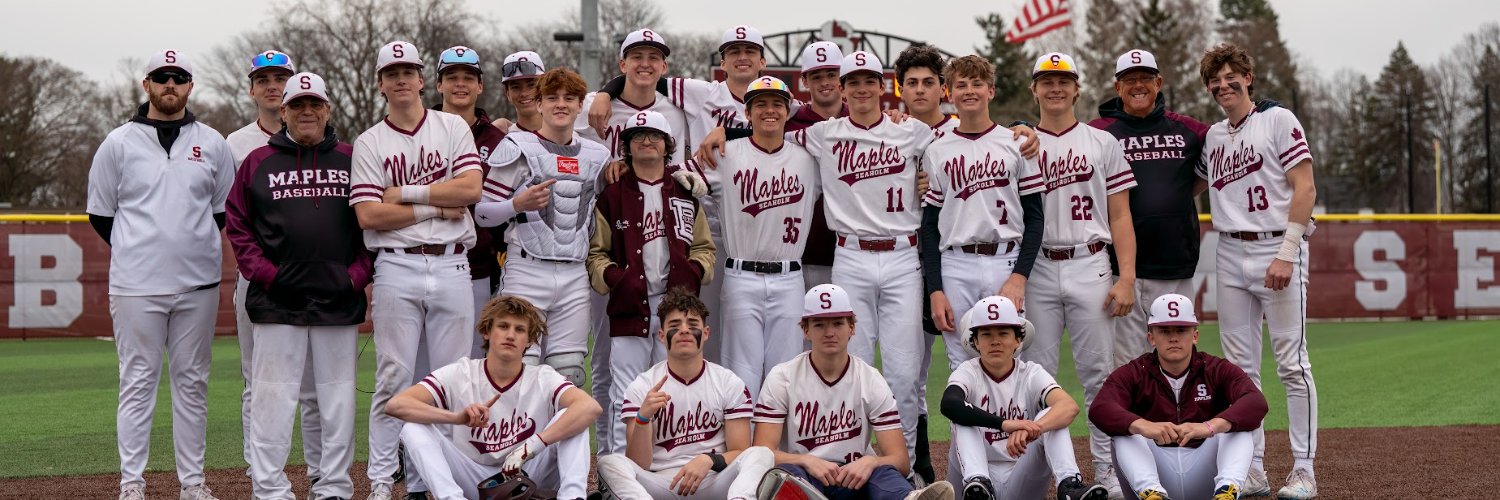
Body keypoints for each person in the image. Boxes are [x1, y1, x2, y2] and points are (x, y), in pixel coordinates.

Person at [87, 49, 234, 500]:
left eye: (179, 76)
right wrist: (140, 250)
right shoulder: (118, 142)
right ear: (146, 84)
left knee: (192, 386)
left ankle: (193, 483)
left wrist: (183, 248)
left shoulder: (212, 142)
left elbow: (221, 211)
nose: (171, 83)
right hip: (136, 285)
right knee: (137, 382)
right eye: (162, 76)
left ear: (190, 86)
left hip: (198, 284)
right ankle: (132, 484)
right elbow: (101, 214)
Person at [348, 40, 484, 500]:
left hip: (451, 266)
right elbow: (369, 216)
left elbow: (469, 190)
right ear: (382, 83)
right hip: (396, 268)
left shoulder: (450, 126)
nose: (402, 79)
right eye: (392, 72)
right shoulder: (370, 141)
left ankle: (436, 480)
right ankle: (382, 480)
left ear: (423, 79)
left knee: (451, 378)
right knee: (393, 376)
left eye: (409, 71)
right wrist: (435, 207)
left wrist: (405, 194)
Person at [226, 72, 369, 500]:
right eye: (298, 105)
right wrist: (268, 276)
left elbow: (370, 228)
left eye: (315, 105)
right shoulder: (257, 161)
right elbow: (238, 227)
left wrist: (355, 278)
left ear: (327, 110)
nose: (307, 112)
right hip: (276, 299)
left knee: (336, 401)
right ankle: (270, 490)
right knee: (273, 399)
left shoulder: (352, 157)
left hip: (337, 298)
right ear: (283, 111)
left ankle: (334, 489)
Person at [1196, 42, 1320, 500]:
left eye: (1232, 77)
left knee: (1292, 364)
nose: (1224, 85)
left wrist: (1288, 250)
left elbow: (1304, 188)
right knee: (1240, 371)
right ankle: (1253, 469)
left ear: (1248, 77)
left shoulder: (1278, 119)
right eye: (1216, 80)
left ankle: (1304, 470)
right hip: (1229, 250)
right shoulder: (1212, 136)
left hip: (1276, 245)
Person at [1020, 52, 1138, 500]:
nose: (1055, 89)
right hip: (1038, 268)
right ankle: (1048, 474)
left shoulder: (1101, 142)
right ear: (1034, 89)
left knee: (1099, 376)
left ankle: (1106, 471)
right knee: (1038, 378)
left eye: (1063, 81)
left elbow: (1121, 216)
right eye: (1046, 82)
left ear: (1077, 88)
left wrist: (1125, 276)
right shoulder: (1020, 143)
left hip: (1090, 261)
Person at [475, 66, 612, 415]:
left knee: (568, 376)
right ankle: (515, 462)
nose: (561, 104)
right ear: (539, 103)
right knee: (521, 371)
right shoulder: (517, 146)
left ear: (581, 104)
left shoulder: (598, 156)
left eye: (569, 98)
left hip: (574, 274)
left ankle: (559, 467)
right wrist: (515, 204)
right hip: (526, 269)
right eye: (552, 97)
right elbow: (481, 212)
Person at [223, 50, 328, 486]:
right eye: (263, 78)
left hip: (315, 280)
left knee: (314, 386)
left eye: (279, 77)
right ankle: (259, 470)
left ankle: (322, 474)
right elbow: (233, 218)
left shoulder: (321, 139)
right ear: (251, 89)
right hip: (258, 282)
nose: (271, 84)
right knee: (257, 381)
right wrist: (257, 270)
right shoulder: (234, 144)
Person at [588, 110, 716, 454]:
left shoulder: (685, 191)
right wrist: (619, 279)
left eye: (655, 136)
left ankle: (667, 463)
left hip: (676, 310)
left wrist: (694, 273)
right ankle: (618, 472)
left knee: (675, 388)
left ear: (667, 146)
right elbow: (597, 253)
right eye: (637, 136)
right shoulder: (612, 196)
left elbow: (705, 246)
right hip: (630, 307)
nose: (647, 141)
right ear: (627, 147)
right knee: (626, 393)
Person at [752, 284, 954, 500]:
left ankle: (908, 498)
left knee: (883, 473)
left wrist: (871, 461)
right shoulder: (783, 377)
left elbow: (901, 461)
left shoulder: (870, 378)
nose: (829, 332)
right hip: (806, 478)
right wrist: (806, 460)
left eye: (838, 323)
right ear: (806, 330)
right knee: (784, 477)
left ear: (852, 327)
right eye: (819, 324)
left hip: (856, 479)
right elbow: (763, 453)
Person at [386, 296, 600, 500]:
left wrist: (531, 447)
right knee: (413, 428)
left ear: (530, 340)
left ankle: (573, 496)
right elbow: (396, 405)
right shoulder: (461, 373)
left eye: (520, 329)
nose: (510, 335)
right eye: (503, 326)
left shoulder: (542, 377)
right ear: (487, 331)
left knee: (574, 417)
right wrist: (456, 418)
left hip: (526, 471)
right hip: (471, 474)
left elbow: (590, 407)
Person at [1086, 50, 1209, 371]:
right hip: (1117, 268)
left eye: (1144, 79)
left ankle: (1177, 423)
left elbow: (1236, 136)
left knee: (1177, 359)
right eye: (1129, 80)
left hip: (1174, 265)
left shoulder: (1188, 130)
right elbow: (1054, 137)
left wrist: (1266, 109)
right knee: (1127, 365)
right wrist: (1020, 126)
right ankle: (1136, 424)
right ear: (1117, 87)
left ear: (1158, 82)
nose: (1137, 85)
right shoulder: (1097, 132)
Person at [920, 54, 1045, 371]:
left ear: (991, 90)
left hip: (1005, 260)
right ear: (949, 93)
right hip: (955, 263)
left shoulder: (1016, 142)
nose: (969, 91)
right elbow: (930, 226)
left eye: (977, 83)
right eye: (960, 85)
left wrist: (1019, 277)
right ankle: (965, 424)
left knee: (1011, 359)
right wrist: (935, 289)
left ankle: (1012, 423)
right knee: (960, 361)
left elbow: (1035, 217)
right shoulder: (937, 148)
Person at [597, 289, 774, 499]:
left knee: (761, 454)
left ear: (706, 333)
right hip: (662, 483)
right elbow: (639, 462)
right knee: (609, 463)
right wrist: (643, 418)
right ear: (662, 336)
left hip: (714, 480)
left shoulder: (727, 382)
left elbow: (740, 451)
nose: (684, 331)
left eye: (692, 325)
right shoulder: (643, 385)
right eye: (674, 326)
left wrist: (709, 459)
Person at [1090, 294, 1268, 500]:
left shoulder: (1216, 368)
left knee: (1239, 427)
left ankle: (1227, 492)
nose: (1173, 338)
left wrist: (1209, 427)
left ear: (1195, 335)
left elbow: (1255, 402)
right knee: (1124, 432)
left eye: (1181, 330)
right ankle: (1152, 493)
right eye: (1164, 331)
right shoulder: (1135, 372)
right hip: (1156, 471)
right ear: (1151, 338)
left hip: (1205, 477)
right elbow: (1100, 407)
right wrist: (1142, 425)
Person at [709, 76, 820, 395]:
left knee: (786, 375)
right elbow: (677, 178)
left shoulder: (808, 156)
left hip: (789, 278)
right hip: (741, 275)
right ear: (746, 113)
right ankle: (743, 446)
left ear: (788, 112)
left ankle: (781, 446)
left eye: (776, 104)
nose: (769, 110)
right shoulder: (723, 152)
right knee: (741, 373)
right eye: (760, 104)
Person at [941, 296, 1106, 500]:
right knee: (963, 416)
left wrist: (1033, 429)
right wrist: (1005, 424)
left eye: (1003, 333)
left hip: (1021, 477)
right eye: (986, 334)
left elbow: (1068, 406)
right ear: (975, 341)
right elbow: (949, 404)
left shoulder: (1031, 373)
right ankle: (978, 484)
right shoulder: (968, 371)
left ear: (1018, 340)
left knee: (1051, 415)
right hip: (969, 481)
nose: (995, 341)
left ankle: (1069, 485)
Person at [432, 45, 510, 358]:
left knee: (475, 362)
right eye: (451, 77)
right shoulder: (420, 133)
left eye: (468, 77)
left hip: (479, 267)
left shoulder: (498, 139)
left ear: (480, 85)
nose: (460, 84)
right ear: (439, 85)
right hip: (426, 256)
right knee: (423, 369)